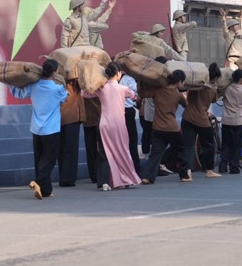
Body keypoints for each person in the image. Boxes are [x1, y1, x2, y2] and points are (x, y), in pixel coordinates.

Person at [8, 58, 68, 199]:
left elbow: (18, 93)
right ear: (54, 72)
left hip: (36, 128)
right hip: (51, 129)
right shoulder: (57, 89)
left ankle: (46, 190)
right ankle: (38, 181)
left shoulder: (33, 86)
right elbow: (64, 98)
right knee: (49, 159)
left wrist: (10, 83)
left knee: (40, 158)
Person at [81, 62, 142, 191]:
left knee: (104, 153)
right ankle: (126, 178)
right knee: (122, 150)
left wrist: (86, 82)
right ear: (118, 73)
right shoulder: (123, 89)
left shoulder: (101, 88)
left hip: (104, 124)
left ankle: (104, 182)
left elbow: (85, 94)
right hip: (119, 124)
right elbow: (135, 97)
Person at [139, 70, 190, 184]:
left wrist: (140, 81)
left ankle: (147, 176)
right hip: (172, 128)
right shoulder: (178, 95)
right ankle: (184, 175)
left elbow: (142, 93)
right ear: (180, 81)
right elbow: (186, 105)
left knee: (156, 153)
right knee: (181, 149)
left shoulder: (158, 90)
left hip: (157, 127)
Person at [181, 63, 221, 179]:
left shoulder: (195, 86)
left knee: (188, 146)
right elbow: (214, 100)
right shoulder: (212, 90)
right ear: (215, 78)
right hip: (202, 120)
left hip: (187, 118)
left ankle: (187, 172)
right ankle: (209, 170)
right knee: (209, 145)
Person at [219, 69, 242, 174]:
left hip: (226, 120)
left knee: (225, 144)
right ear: (241, 79)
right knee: (236, 145)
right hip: (237, 120)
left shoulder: (226, 88)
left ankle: (223, 166)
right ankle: (234, 167)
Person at [57, 77, 83, 187]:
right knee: (71, 148)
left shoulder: (56, 79)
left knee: (62, 148)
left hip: (58, 116)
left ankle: (63, 177)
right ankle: (69, 178)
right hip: (71, 116)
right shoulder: (74, 80)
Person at [120, 72, 141, 173]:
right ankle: (135, 169)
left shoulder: (113, 82)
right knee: (132, 142)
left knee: (121, 142)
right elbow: (135, 96)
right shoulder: (130, 79)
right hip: (128, 111)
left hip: (117, 112)